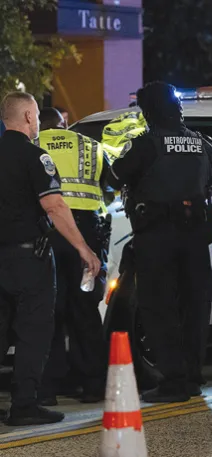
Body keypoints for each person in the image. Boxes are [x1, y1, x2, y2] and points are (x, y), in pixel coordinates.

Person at [107, 82, 212, 403]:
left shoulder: (145, 145)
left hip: (157, 237)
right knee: (195, 308)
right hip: (196, 238)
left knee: (160, 308)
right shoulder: (202, 143)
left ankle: (174, 381)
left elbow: (115, 176)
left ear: (148, 112)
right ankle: (193, 377)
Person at [0, 92, 100, 425]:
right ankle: (24, 405)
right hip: (29, 260)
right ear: (29, 116)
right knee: (33, 331)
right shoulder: (34, 156)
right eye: (37, 118)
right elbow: (55, 206)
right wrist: (84, 248)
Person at [36, 108, 112, 406]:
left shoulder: (33, 146)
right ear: (64, 125)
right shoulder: (90, 146)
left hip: (49, 234)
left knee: (49, 311)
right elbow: (108, 189)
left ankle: (48, 387)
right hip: (86, 236)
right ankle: (93, 384)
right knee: (85, 310)